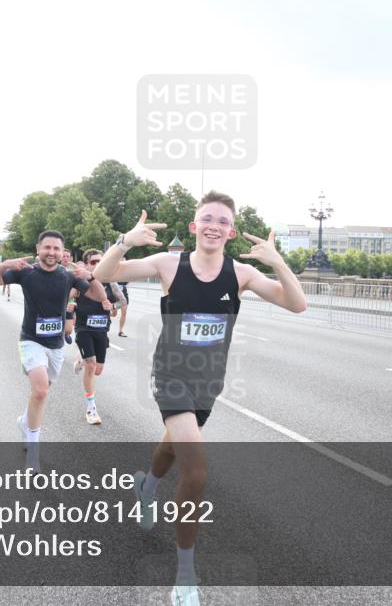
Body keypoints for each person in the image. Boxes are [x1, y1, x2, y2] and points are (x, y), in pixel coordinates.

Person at [93, 191, 307, 603]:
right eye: (206, 218)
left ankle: (146, 487)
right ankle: (185, 576)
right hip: (171, 376)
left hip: (209, 383)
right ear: (194, 227)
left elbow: (297, 305)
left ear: (230, 231)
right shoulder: (168, 264)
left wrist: (277, 262)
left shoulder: (241, 274)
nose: (214, 225)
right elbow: (104, 275)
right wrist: (124, 240)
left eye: (222, 221)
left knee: (172, 447)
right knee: (197, 470)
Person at [0, 230, 108, 471]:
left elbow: (100, 297)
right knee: (40, 391)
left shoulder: (68, 276)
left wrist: (90, 276)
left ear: (62, 252)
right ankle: (33, 455)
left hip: (56, 346)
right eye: (47, 247)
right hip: (31, 340)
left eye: (56, 248)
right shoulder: (25, 272)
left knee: (42, 391)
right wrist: (5, 264)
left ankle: (25, 421)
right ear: (38, 249)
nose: (52, 252)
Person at [71, 249, 127, 425]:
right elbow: (67, 298)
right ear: (87, 264)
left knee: (98, 370)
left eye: (99, 261)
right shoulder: (80, 282)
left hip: (101, 330)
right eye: (93, 262)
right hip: (83, 328)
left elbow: (122, 301)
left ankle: (80, 359)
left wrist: (112, 307)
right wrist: (71, 304)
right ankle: (91, 408)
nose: (96, 265)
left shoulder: (111, 283)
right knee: (91, 365)